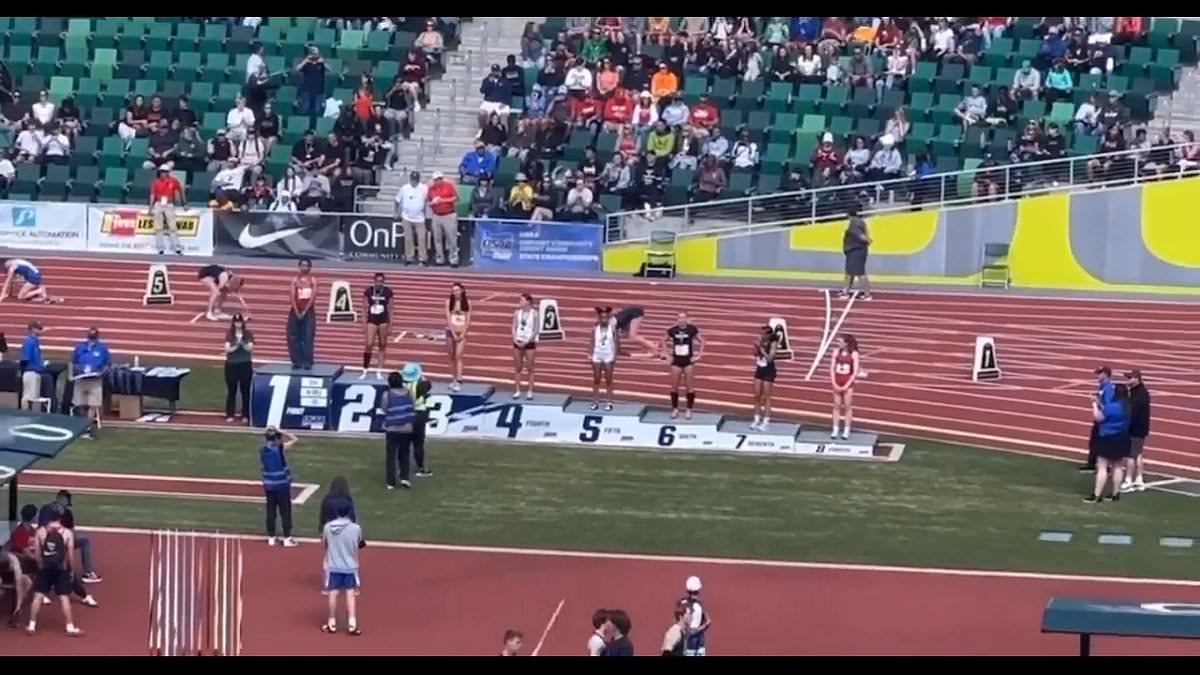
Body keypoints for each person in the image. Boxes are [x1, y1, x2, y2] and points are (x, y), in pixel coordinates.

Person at [26, 510, 84, 637]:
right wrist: (72, 570)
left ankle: (31, 625)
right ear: (60, 519)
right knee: (64, 598)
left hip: (45, 569)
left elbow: (37, 553)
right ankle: (70, 627)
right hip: (61, 569)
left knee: (38, 596)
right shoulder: (67, 533)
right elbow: (70, 554)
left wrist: (40, 566)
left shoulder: (40, 532)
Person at [321, 501, 364, 636]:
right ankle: (352, 625)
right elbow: (360, 544)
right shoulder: (356, 528)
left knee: (333, 593)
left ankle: (331, 623)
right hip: (350, 566)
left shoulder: (327, 527)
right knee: (350, 594)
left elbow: (325, 544)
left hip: (333, 565)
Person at [1085, 383, 1130, 503]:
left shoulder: (1112, 406)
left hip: (1107, 437)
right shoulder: (1128, 407)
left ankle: (1097, 495)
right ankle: (1115, 494)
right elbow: (1107, 410)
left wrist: (1094, 404)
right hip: (1122, 437)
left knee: (1102, 467)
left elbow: (1099, 417)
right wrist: (1100, 403)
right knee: (1118, 466)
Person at [260, 426, 299, 546]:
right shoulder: (279, 448)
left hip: (269, 485)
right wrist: (282, 431)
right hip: (282, 485)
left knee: (271, 511)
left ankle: (271, 537)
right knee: (285, 511)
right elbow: (295, 439)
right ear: (276, 437)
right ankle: (287, 538)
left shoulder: (262, 450)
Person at [71, 328, 110, 439]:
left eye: (93, 338)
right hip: (81, 379)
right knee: (79, 403)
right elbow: (73, 362)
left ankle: (87, 427)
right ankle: (83, 426)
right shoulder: (80, 347)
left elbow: (107, 364)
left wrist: (102, 372)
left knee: (93, 404)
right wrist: (76, 372)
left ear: (97, 337)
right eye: (90, 337)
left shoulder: (102, 348)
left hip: (95, 380)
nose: (92, 340)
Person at [665, 312, 703, 420]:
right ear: (677, 319)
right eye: (679, 318)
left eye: (683, 318)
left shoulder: (692, 329)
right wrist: (667, 355)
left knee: (689, 387)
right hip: (676, 362)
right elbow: (663, 341)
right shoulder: (672, 330)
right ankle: (675, 409)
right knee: (674, 386)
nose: (681, 320)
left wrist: (699, 355)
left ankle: (689, 409)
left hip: (688, 362)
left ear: (687, 319)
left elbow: (702, 341)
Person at [381, 371, 416, 490]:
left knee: (391, 456)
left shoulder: (387, 394)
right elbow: (412, 406)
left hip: (392, 428)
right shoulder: (408, 392)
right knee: (404, 454)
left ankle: (390, 482)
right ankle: (404, 478)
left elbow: (384, 408)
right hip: (407, 428)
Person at [1122, 369, 1152, 493]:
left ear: (1137, 379)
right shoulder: (1140, 392)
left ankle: (1128, 479)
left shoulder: (1138, 395)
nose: (1128, 380)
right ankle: (1139, 478)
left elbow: (1131, 412)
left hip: (1135, 429)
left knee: (1130, 455)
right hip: (1141, 429)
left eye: (1130, 378)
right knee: (1138, 454)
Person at [1082, 366, 1116, 472]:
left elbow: (1108, 406)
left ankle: (1102, 465)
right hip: (1101, 418)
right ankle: (1093, 463)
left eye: (1099, 373)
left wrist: (1096, 401)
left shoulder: (1108, 388)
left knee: (1099, 442)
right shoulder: (1102, 386)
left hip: (1104, 420)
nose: (1097, 376)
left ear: (1105, 374)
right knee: (1095, 441)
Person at [403, 363, 434, 479]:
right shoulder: (422, 385)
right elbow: (428, 384)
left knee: (404, 443)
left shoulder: (401, 384)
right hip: (419, 415)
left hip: (405, 414)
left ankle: (403, 468)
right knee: (418, 443)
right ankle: (421, 468)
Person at [362, 273, 394, 380]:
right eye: (377, 281)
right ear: (374, 281)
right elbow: (364, 307)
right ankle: (365, 369)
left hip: (383, 321)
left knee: (382, 345)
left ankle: (379, 370)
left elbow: (391, 309)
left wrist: (391, 324)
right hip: (372, 320)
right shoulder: (369, 291)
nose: (379, 283)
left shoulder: (388, 292)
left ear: (383, 281)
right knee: (369, 344)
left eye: (381, 281)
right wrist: (363, 321)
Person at [288, 258, 318, 371]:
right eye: (302, 265)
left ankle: (307, 361)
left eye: (306, 265)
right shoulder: (294, 280)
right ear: (299, 266)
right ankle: (296, 361)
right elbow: (291, 296)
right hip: (295, 310)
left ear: (310, 267)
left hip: (309, 311)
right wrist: (296, 311)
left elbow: (313, 297)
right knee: (293, 336)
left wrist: (305, 311)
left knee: (308, 336)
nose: (304, 268)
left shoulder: (313, 280)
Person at [224, 314, 254, 423]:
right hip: (231, 364)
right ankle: (230, 414)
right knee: (232, 390)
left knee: (245, 390)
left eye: (240, 322)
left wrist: (242, 343)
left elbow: (250, 348)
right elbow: (227, 349)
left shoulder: (247, 334)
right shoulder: (229, 334)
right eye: (236, 322)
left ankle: (245, 414)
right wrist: (236, 344)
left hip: (245, 364)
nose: (238, 324)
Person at [830, 334, 861, 440]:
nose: (838, 344)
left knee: (848, 406)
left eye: (840, 342)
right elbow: (832, 368)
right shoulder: (836, 352)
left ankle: (846, 430)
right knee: (836, 405)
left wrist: (847, 385)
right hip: (838, 380)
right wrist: (834, 382)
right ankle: (835, 429)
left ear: (846, 343)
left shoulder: (854, 354)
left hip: (847, 382)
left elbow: (855, 371)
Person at [149, 167, 184, 256]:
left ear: (168, 172)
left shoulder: (173, 181)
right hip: (158, 204)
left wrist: (184, 203)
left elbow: (180, 190)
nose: (163, 173)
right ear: (159, 173)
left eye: (165, 172)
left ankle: (177, 248)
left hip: (169, 204)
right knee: (158, 227)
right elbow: (152, 195)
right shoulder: (155, 182)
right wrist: (151, 207)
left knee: (172, 227)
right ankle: (160, 248)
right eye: (162, 172)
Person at [512, 293, 540, 400]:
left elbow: (536, 329)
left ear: (528, 302)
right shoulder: (516, 313)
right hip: (517, 341)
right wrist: (514, 338)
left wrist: (528, 341)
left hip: (529, 343)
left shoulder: (535, 314)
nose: (520, 302)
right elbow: (514, 327)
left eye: (521, 300)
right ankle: (517, 390)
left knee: (530, 368)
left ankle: (530, 390)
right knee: (518, 367)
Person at [751, 325, 779, 432]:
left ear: (768, 334)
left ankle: (766, 421)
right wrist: (755, 348)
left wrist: (761, 349)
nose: (761, 335)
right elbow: (754, 354)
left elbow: (770, 358)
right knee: (757, 395)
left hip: (769, 370)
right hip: (759, 368)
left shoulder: (773, 343)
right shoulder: (760, 340)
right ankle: (756, 418)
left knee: (767, 396)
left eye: (763, 334)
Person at [842, 203, 872, 300]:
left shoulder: (854, 223)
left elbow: (861, 236)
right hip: (855, 251)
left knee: (859, 273)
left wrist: (867, 240)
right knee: (849, 273)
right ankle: (845, 291)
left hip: (856, 251)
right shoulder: (860, 222)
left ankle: (867, 294)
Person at [590, 307, 618, 412]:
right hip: (597, 354)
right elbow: (592, 342)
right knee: (596, 379)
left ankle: (609, 402)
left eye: (606, 317)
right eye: (602, 317)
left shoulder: (613, 329)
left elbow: (616, 342)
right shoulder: (595, 329)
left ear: (608, 318)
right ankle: (595, 401)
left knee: (608, 379)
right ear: (599, 318)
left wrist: (615, 355)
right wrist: (590, 354)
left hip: (608, 355)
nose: (604, 319)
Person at [445, 283, 471, 392]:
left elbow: (468, 319)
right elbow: (448, 318)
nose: (455, 293)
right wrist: (453, 333)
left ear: (462, 291)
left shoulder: (467, 303)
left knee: (458, 356)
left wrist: (463, 333)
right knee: (451, 357)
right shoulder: (448, 302)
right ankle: (454, 379)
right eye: (453, 291)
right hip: (450, 332)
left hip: (461, 333)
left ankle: (459, 380)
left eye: (457, 290)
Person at [680, 575, 711, 656]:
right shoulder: (697, 605)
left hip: (696, 644)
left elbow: (707, 620)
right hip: (691, 644)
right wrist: (703, 627)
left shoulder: (682, 604)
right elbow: (707, 622)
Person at [19, 320, 46, 411]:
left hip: (35, 371)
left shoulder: (35, 342)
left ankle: (29, 415)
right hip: (30, 372)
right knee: (28, 397)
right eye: (38, 329)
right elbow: (24, 359)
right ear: (33, 329)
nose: (40, 331)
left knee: (33, 397)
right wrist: (23, 371)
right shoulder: (29, 342)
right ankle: (25, 415)